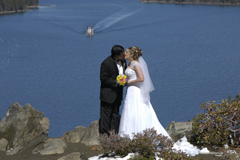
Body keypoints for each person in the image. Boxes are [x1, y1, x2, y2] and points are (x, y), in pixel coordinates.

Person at [119, 46, 171, 139]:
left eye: (126, 52)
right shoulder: (130, 64)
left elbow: (141, 78)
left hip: (135, 90)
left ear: (132, 54)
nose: (124, 54)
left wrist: (128, 82)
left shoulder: (136, 65)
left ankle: (136, 134)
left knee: (136, 109)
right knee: (129, 109)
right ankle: (128, 134)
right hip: (130, 90)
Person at [99, 45, 127, 135]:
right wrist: (116, 82)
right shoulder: (106, 63)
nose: (124, 55)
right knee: (106, 116)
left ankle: (114, 133)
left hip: (118, 93)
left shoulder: (123, 61)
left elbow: (125, 72)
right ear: (116, 56)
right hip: (108, 94)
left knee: (115, 113)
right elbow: (103, 78)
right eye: (122, 54)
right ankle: (104, 135)